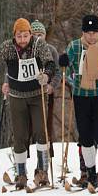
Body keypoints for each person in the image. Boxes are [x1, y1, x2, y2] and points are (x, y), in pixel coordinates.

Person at [0, 18, 56, 189]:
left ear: (30, 34)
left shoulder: (39, 45)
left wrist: (46, 76)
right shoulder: (7, 47)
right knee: (20, 136)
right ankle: (21, 173)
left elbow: (50, 63)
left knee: (41, 131)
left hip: (37, 95)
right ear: (14, 36)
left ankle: (42, 171)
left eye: (25, 36)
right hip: (17, 96)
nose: (23, 40)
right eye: (19, 36)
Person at [59, 15, 98, 189]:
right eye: (88, 33)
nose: (91, 37)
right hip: (81, 95)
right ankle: (91, 173)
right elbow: (68, 63)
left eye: (94, 33)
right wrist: (64, 61)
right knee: (85, 136)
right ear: (83, 33)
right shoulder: (75, 45)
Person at [30, 21, 61, 153]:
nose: (38, 37)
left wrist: (51, 86)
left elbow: (58, 72)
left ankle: (47, 155)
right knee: (30, 127)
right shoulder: (25, 50)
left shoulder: (51, 50)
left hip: (46, 93)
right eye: (34, 34)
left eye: (40, 34)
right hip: (28, 93)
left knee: (46, 125)